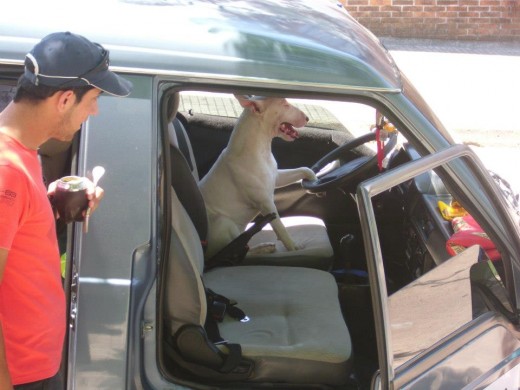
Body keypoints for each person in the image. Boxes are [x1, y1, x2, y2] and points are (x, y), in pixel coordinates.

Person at [0, 31, 133, 389]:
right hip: (20, 375)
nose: (95, 111)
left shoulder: (21, 154)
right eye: (93, 99)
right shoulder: (6, 171)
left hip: (34, 364)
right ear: (64, 99)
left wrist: (52, 201)